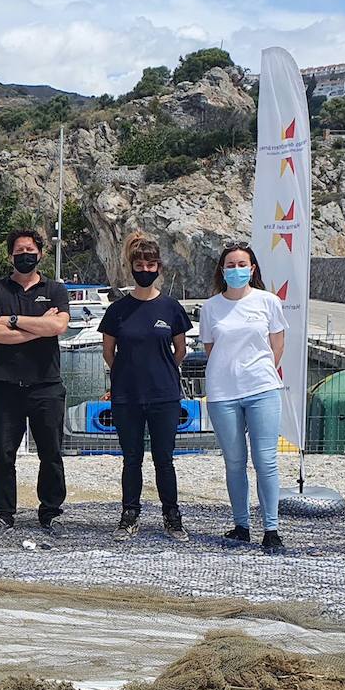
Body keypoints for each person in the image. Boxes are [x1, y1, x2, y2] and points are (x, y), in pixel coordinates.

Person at [99, 232, 193, 541]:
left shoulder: (171, 308)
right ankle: (129, 514)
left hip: (164, 395)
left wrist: (160, 372)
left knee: (164, 458)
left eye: (151, 264)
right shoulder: (116, 311)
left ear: (159, 268)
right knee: (131, 459)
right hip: (126, 396)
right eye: (139, 264)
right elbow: (109, 353)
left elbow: (179, 351)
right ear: (131, 267)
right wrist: (128, 374)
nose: (145, 269)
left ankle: (172, 515)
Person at [0, 229, 71, 532]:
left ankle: (51, 510)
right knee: (4, 454)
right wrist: (39, 326)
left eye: (30, 249)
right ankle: (3, 512)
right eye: (19, 250)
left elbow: (58, 326)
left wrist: (13, 320)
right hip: (5, 386)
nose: (25, 255)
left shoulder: (55, 289)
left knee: (51, 452)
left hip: (46, 385)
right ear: (10, 256)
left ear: (40, 254)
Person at [201, 242, 287, 553]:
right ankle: (241, 525)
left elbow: (277, 345)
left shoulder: (268, 301)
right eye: (231, 265)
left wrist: (259, 371)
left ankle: (272, 528)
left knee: (265, 461)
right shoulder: (210, 307)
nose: (236, 269)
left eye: (242, 264)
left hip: (261, 389)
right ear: (222, 271)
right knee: (234, 462)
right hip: (223, 394)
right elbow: (212, 350)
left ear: (252, 269)